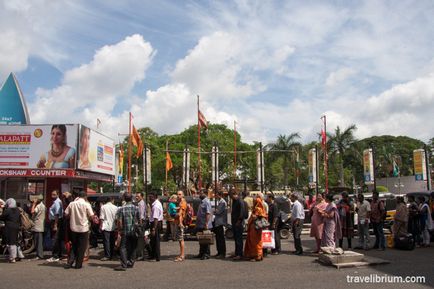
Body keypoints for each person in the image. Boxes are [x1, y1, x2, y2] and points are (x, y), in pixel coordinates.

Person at [64, 191, 94, 269]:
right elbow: (91, 216)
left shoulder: (72, 204)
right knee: (81, 247)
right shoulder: (87, 204)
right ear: (85, 197)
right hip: (83, 229)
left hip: (73, 228)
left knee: (74, 245)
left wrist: (72, 216)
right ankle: (78, 264)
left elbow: (66, 214)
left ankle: (70, 262)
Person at [114, 193, 139, 271]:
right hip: (134, 231)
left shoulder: (121, 209)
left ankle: (124, 264)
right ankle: (131, 262)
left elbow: (119, 221)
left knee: (123, 248)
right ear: (131, 198)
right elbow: (139, 220)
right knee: (133, 247)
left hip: (125, 231)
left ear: (124, 198)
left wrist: (119, 230)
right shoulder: (136, 208)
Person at [244, 195, 267, 261]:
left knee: (256, 243)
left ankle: (257, 256)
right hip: (254, 228)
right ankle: (255, 255)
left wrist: (254, 216)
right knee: (254, 242)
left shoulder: (258, 209)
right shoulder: (258, 208)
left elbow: (257, 217)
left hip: (255, 228)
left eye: (254, 201)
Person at [0, 198, 21, 263]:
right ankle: (17, 256)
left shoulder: (8, 210)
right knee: (14, 242)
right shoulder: (17, 210)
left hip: (9, 227)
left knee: (10, 242)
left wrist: (3, 209)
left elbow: (2, 217)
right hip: (16, 227)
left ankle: (12, 258)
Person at [47, 190, 64, 262]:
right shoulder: (57, 202)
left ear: (58, 194)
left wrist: (55, 224)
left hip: (55, 221)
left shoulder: (57, 202)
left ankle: (55, 256)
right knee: (58, 239)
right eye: (52, 194)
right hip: (56, 221)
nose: (52, 196)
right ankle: (59, 255)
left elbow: (57, 214)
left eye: (54, 194)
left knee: (55, 239)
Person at [195, 190, 213, 260]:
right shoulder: (202, 201)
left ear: (205, 194)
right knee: (201, 239)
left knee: (206, 240)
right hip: (200, 224)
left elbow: (208, 213)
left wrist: (206, 223)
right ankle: (201, 253)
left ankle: (206, 254)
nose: (199, 194)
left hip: (205, 224)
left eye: (201, 193)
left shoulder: (207, 202)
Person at [99, 197, 118, 261]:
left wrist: (101, 226)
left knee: (106, 241)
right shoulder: (115, 207)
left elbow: (102, 218)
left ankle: (107, 255)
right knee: (112, 241)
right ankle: (112, 255)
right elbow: (116, 218)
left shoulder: (103, 207)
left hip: (105, 226)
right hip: (113, 226)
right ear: (112, 200)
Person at [230, 189, 245, 261]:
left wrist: (239, 222)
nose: (231, 197)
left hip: (238, 223)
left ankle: (239, 254)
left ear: (235, 194)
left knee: (239, 239)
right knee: (236, 239)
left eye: (231, 195)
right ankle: (237, 253)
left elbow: (242, 213)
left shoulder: (240, 201)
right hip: (234, 222)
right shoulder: (234, 201)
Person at [148, 193, 163, 262]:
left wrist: (154, 228)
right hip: (156, 223)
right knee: (153, 240)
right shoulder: (156, 204)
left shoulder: (156, 206)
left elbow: (155, 218)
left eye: (151, 197)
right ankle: (153, 255)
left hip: (155, 223)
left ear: (155, 197)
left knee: (156, 240)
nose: (149, 198)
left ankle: (157, 256)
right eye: (149, 197)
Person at [213, 191, 227, 259]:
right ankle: (219, 252)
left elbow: (218, 212)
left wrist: (214, 211)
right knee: (218, 238)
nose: (215, 196)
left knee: (221, 238)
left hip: (220, 222)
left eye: (216, 195)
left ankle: (222, 253)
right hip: (218, 222)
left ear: (220, 195)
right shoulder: (220, 202)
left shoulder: (222, 202)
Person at [174, 190, 187, 262]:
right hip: (179, 222)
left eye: (179, 194)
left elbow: (180, 214)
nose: (178, 195)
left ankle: (182, 256)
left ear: (182, 195)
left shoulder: (182, 203)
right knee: (180, 239)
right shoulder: (181, 202)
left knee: (181, 239)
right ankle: (181, 254)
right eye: (177, 194)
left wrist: (180, 223)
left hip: (180, 223)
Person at [135, 192, 147, 260]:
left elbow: (141, 216)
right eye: (136, 196)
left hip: (141, 224)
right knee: (141, 239)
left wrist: (140, 225)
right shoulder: (140, 203)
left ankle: (141, 255)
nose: (136, 197)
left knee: (140, 240)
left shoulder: (141, 204)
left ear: (142, 197)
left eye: (138, 196)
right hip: (141, 223)